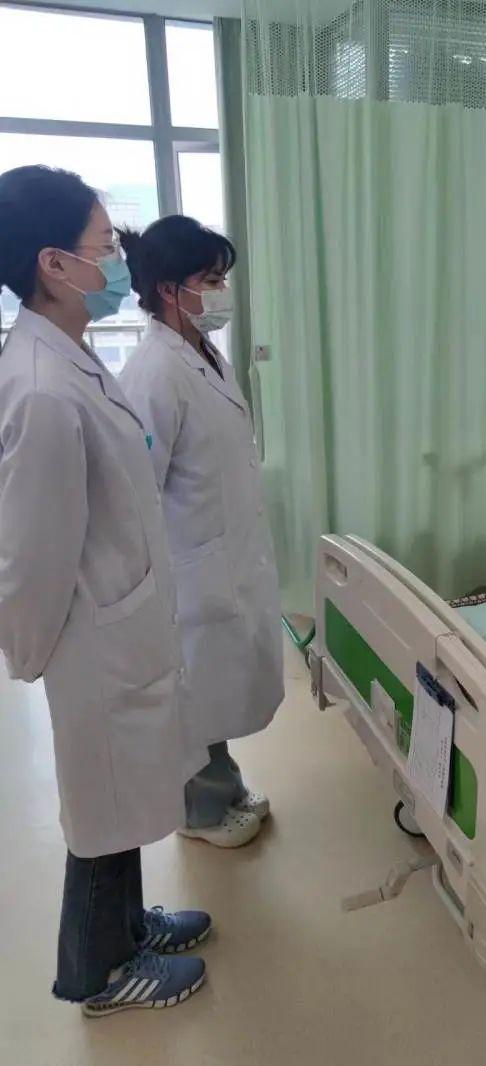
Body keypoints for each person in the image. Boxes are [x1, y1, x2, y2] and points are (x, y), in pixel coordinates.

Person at [0, 166, 210, 1015]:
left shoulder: (71, 354)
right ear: (54, 264)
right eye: (105, 246)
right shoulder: (43, 388)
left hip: (119, 624)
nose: (119, 259)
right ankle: (98, 976)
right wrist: (32, 652)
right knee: (100, 814)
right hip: (93, 642)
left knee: (120, 800)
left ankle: (127, 930)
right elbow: (31, 553)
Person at [118, 216, 283, 849]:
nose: (222, 292)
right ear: (169, 288)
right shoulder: (154, 373)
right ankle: (201, 813)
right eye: (210, 280)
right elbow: (138, 490)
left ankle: (225, 788)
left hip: (223, 559)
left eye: (222, 279)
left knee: (215, 693)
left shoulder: (202, 353)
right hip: (190, 569)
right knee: (195, 700)